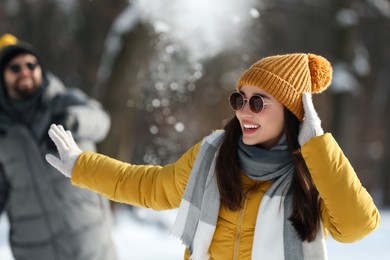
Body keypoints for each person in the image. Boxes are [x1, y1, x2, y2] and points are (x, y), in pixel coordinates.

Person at [46, 53, 380, 260]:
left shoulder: (314, 172)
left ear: (292, 112)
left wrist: (317, 145)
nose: (244, 112)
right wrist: (81, 165)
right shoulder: (214, 155)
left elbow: (356, 227)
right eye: (240, 99)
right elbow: (150, 186)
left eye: (258, 102)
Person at [0, 34, 117, 260]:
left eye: (30, 65)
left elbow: (102, 121)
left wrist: (73, 120)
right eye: (15, 68)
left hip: (90, 239)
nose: (25, 71)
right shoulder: (2, 130)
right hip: (33, 250)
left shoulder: (64, 100)